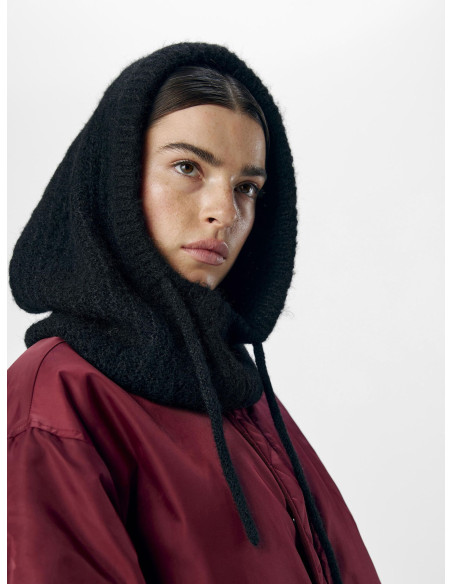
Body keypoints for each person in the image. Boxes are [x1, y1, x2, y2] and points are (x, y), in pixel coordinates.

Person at [7, 43, 381, 584]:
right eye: (188, 167)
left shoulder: (240, 390)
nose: (224, 213)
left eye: (246, 187)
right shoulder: (56, 398)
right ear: (115, 178)